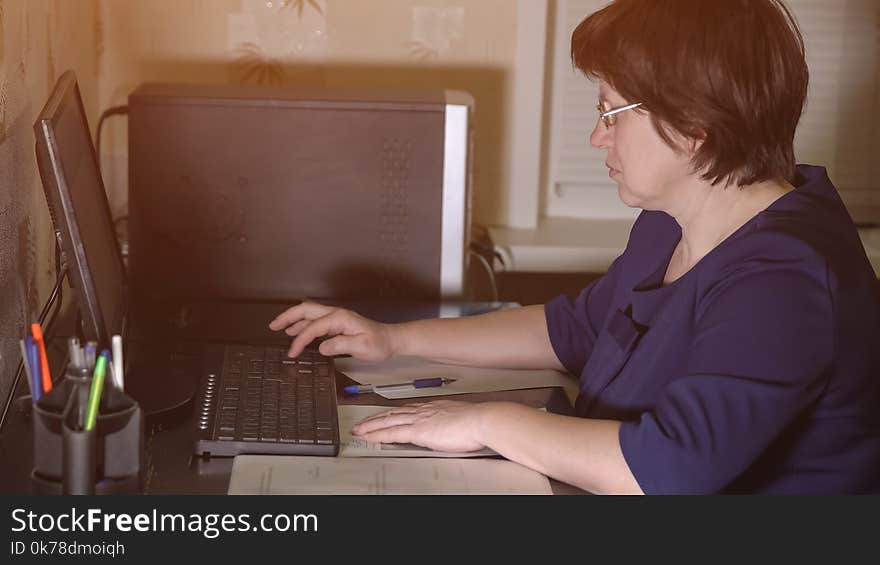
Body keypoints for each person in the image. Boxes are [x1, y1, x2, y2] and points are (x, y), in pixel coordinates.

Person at [270, 0, 880, 494]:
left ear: (695, 127)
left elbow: (667, 470)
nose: (596, 135)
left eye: (612, 114)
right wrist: (394, 340)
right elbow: (577, 328)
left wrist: (488, 421)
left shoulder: (785, 278)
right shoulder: (675, 218)